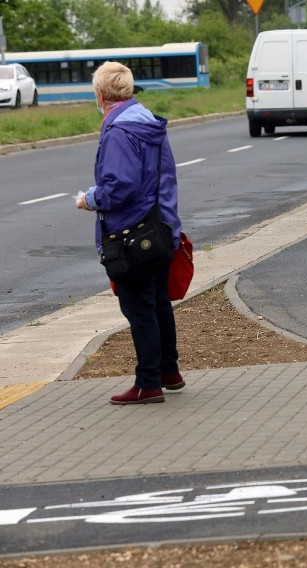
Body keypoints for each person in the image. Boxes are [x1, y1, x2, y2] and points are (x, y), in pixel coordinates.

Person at [76, 61, 184, 405]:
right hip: (160, 226)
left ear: (102, 94)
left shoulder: (120, 132)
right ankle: (170, 371)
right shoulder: (149, 122)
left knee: (138, 309)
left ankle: (148, 383)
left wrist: (89, 199)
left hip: (130, 234)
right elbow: (164, 178)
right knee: (157, 303)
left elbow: (119, 186)